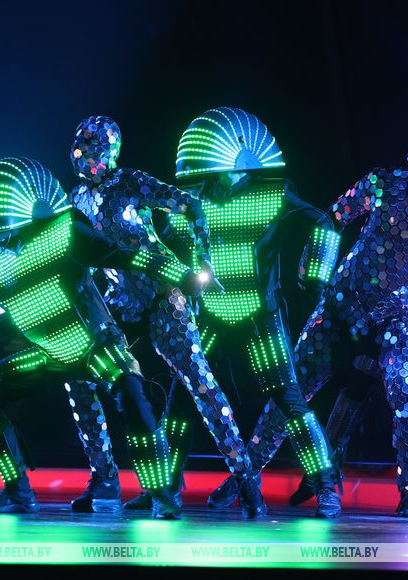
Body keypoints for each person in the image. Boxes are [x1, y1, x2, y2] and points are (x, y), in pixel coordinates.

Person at [240, 118, 408, 517]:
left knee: (406, 399)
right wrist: (315, 275)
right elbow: (334, 217)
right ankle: (245, 474)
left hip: (395, 316)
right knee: (291, 387)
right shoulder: (382, 182)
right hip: (342, 302)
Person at [0, 157, 201, 518]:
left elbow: (129, 256)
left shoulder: (66, 233)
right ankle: (17, 491)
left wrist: (183, 276)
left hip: (97, 347)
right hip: (51, 354)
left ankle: (162, 496)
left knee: (132, 395)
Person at [67, 116, 264, 517]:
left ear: (110, 151)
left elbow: (192, 206)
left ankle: (245, 478)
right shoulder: (76, 198)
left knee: (201, 384)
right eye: (80, 146)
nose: (85, 155)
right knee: (80, 375)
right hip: (119, 304)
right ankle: (109, 478)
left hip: (162, 295)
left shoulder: (129, 181)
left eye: (93, 147)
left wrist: (203, 262)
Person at [169, 107, 343, 518]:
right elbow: (167, 240)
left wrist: (315, 275)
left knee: (289, 401)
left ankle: (325, 485)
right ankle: (165, 489)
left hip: (258, 316)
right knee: (182, 400)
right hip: (210, 315)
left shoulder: (273, 194)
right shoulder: (193, 199)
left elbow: (324, 223)